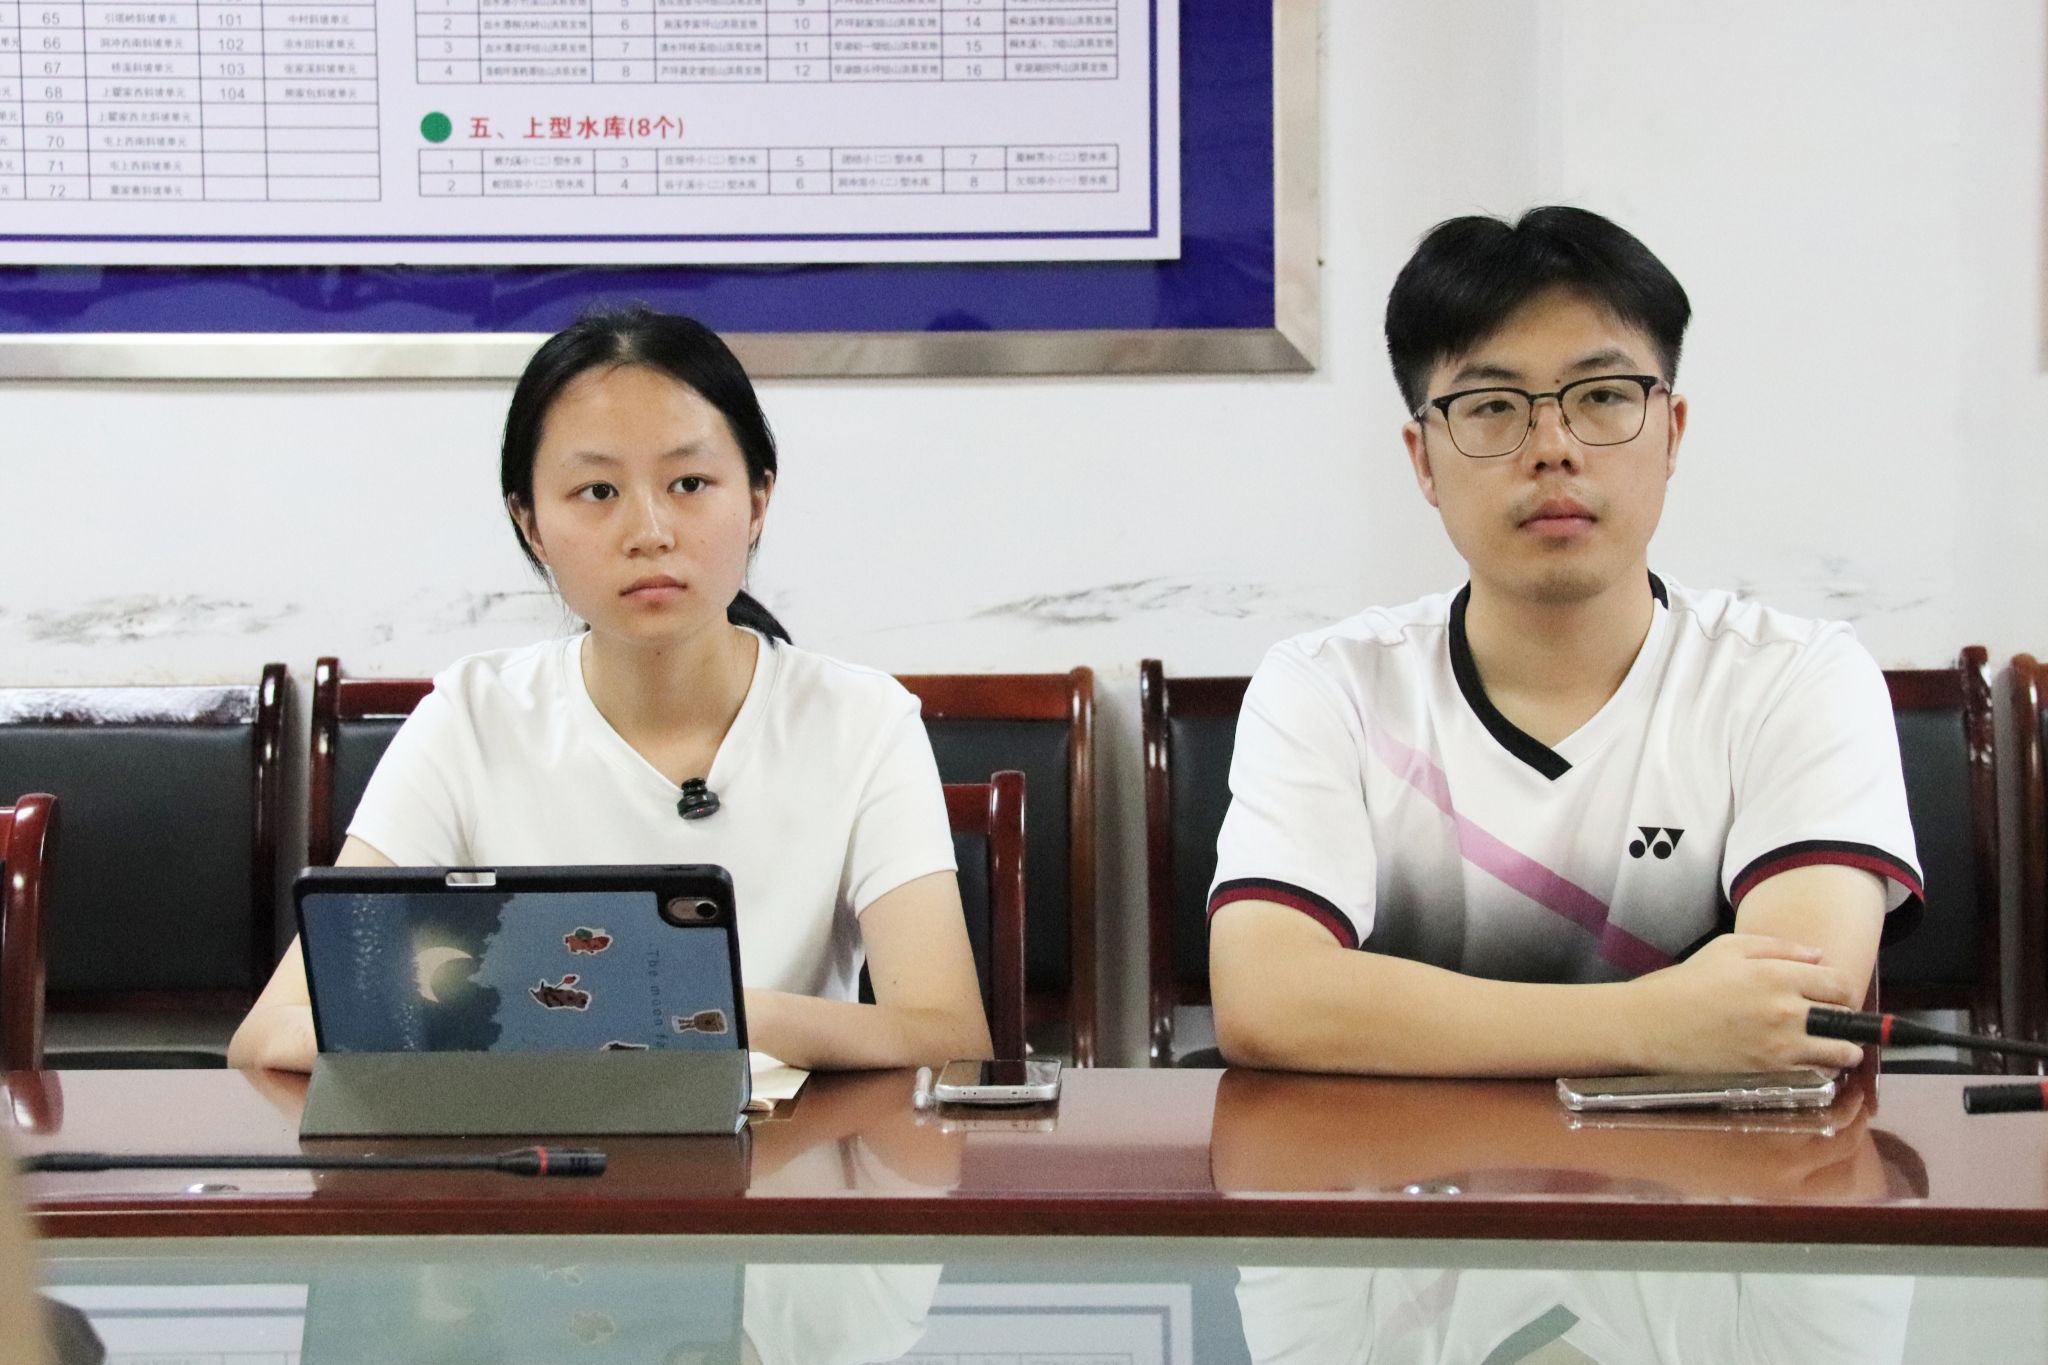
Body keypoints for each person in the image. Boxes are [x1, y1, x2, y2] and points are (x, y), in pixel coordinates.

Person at [1208, 207, 1920, 1076]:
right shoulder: (1330, 688)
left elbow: (1797, 1013)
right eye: (1491, 406)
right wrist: (1650, 1024)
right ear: (1423, 459)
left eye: (1604, 397)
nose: (1553, 448)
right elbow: (1265, 995)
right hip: (1401, 1163)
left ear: (1672, 432)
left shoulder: (1794, 678)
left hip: (1713, 1161)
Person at [230, 306, 992, 1074]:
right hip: (532, 1144)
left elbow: (951, 1036)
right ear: (531, 523)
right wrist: (533, 1023)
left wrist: (715, 1013)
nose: (649, 530)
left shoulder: (862, 721)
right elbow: (269, 1034)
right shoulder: (472, 721)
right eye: (597, 491)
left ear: (758, 501)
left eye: (689, 483)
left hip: (783, 1145)